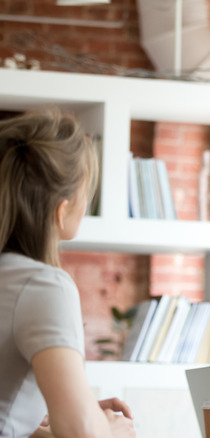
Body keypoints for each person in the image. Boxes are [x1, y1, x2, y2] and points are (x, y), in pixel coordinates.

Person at [0, 109, 136, 437]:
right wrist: (112, 430)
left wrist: (73, 410)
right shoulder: (44, 286)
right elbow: (81, 434)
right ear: (62, 211)